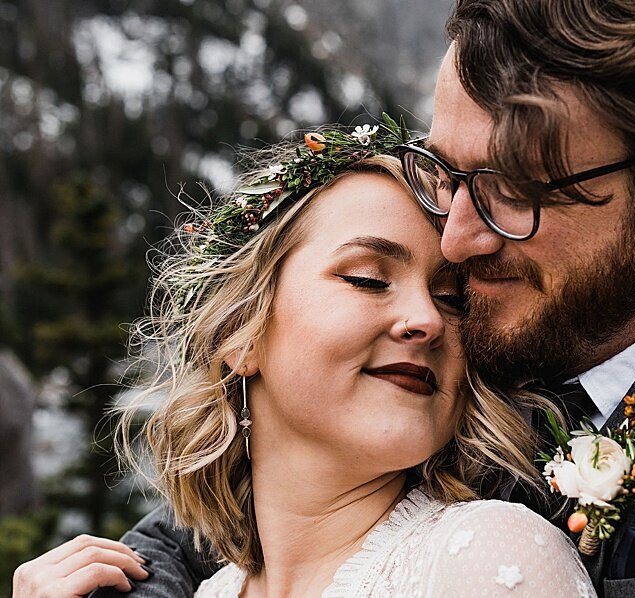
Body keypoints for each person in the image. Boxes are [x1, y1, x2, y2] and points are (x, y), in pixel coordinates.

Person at [93, 0, 635, 595]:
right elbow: (257, 504)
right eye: (448, 174)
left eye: (514, 190)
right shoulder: (453, 336)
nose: (456, 241)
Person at [12, 122, 595, 597]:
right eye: (369, 279)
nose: (428, 319)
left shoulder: (486, 561)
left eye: (451, 297)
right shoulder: (206, 592)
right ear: (240, 333)